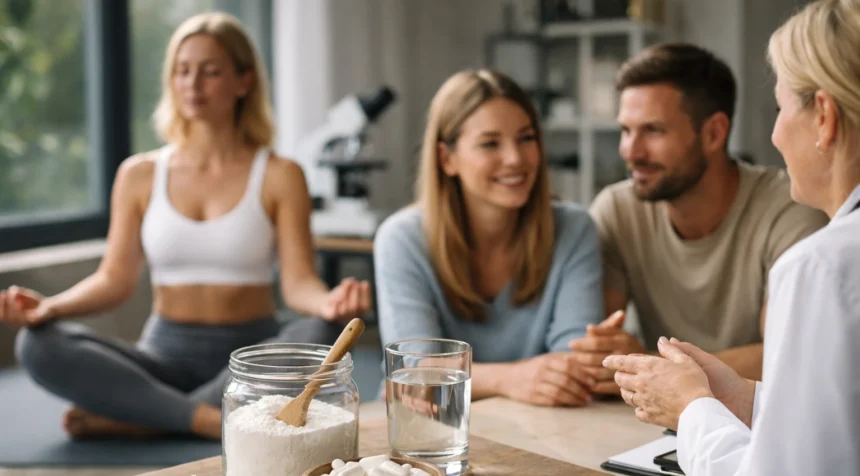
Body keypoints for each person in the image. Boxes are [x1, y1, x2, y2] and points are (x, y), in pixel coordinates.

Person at [0, 12, 371, 440]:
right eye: (182, 70)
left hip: (250, 362)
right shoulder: (139, 174)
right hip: (161, 360)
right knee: (37, 344)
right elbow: (114, 280)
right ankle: (209, 419)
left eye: (210, 71)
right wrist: (52, 307)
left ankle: (143, 417)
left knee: (321, 331)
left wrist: (330, 304)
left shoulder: (280, 174)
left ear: (244, 80)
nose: (192, 85)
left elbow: (299, 284)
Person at [605, 1, 860, 476]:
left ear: (824, 117)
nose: (771, 135)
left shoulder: (821, 266)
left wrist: (691, 407)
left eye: (779, 109)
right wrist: (740, 395)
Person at [569, 43, 828, 396]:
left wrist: (655, 368)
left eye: (654, 131)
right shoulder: (617, 210)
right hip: (656, 421)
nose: (631, 151)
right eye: (626, 131)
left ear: (714, 133)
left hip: (757, 420)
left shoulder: (789, 209)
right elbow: (597, 347)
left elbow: (786, 357)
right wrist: (609, 355)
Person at [374, 69, 604, 408]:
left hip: (542, 426)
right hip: (430, 433)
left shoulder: (575, 229)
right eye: (490, 143)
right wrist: (510, 379)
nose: (515, 158)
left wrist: (451, 374)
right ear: (446, 158)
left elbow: (573, 365)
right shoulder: (402, 239)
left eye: (526, 138)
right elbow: (414, 370)